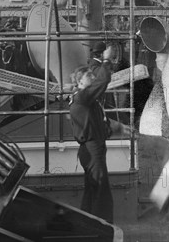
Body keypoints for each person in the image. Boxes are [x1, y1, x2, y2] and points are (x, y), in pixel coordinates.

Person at [69, 45, 115, 223]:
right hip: (92, 148)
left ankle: (86, 222)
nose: (93, 77)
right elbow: (102, 81)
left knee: (93, 188)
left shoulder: (86, 99)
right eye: (89, 76)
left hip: (93, 147)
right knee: (101, 189)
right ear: (80, 82)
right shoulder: (82, 98)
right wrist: (106, 60)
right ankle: (101, 227)